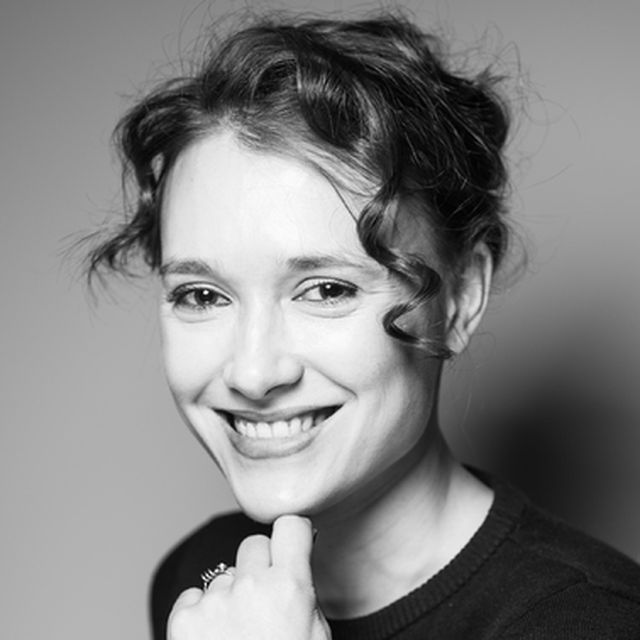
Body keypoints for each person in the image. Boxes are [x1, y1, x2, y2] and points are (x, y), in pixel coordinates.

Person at [86, 11, 640, 639]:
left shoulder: (591, 623)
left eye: (327, 290)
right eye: (202, 295)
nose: (253, 373)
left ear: (461, 297)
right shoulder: (205, 585)